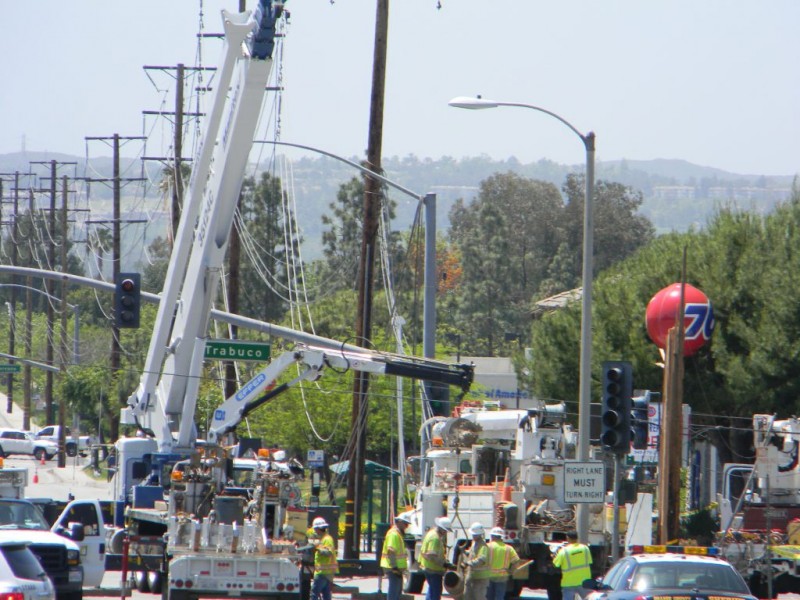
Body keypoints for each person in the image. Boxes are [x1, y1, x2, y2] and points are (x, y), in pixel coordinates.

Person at [420, 516, 453, 600]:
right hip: (433, 569)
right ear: (441, 528)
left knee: (431, 591)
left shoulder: (431, 533)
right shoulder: (435, 538)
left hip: (429, 567)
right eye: (445, 530)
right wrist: (444, 564)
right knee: (435, 593)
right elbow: (432, 556)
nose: (445, 532)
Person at [552, 531, 592, 600]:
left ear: (567, 538)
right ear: (577, 538)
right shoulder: (585, 549)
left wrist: (553, 557)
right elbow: (589, 561)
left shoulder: (564, 551)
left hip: (569, 583)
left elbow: (556, 565)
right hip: (584, 582)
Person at [381, 514, 412, 600]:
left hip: (396, 568)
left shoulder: (397, 534)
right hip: (392, 567)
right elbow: (391, 551)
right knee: (394, 590)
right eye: (405, 524)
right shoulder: (394, 534)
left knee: (397, 590)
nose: (406, 526)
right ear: (400, 522)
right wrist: (394, 567)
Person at [487, 527, 523, 600]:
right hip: (502, 577)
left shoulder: (487, 546)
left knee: (489, 597)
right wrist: (511, 571)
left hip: (488, 576)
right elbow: (516, 561)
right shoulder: (509, 548)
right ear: (502, 537)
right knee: (499, 597)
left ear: (492, 536)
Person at [310, 517, 338, 600]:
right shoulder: (324, 538)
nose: (314, 531)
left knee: (314, 594)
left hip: (322, 572)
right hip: (326, 572)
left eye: (315, 529)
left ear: (318, 529)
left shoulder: (327, 539)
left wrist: (317, 548)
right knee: (326, 595)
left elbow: (328, 553)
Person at [462, 522, 491, 600]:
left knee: (479, 597)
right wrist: (466, 552)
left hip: (481, 578)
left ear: (480, 535)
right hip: (473, 576)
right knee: (468, 596)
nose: (473, 536)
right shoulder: (474, 543)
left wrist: (468, 563)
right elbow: (473, 553)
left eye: (475, 535)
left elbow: (481, 560)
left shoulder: (483, 546)